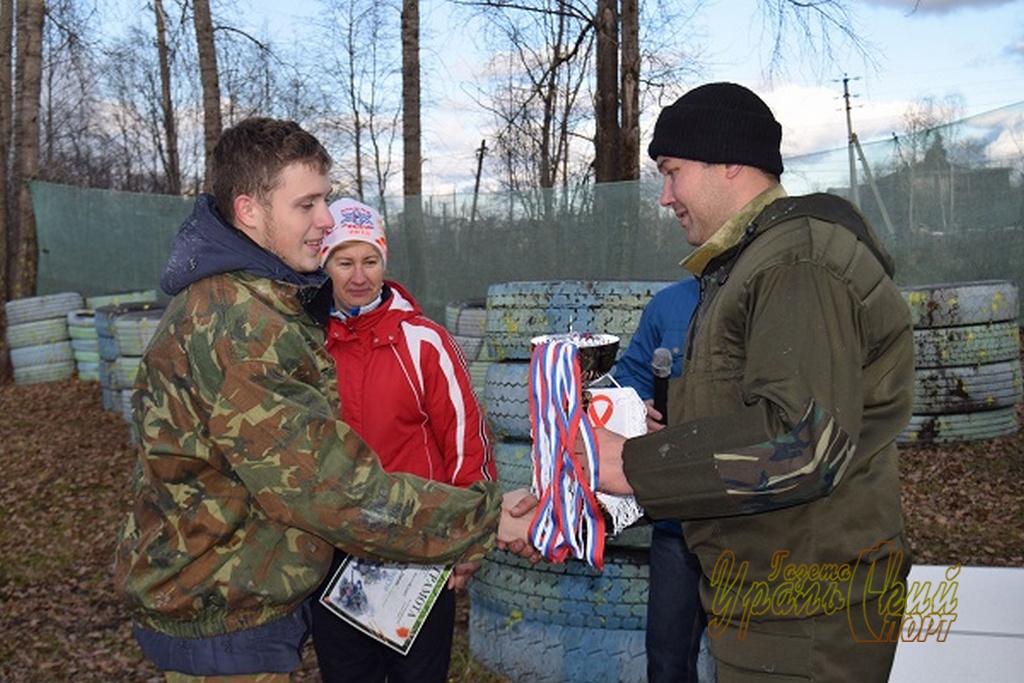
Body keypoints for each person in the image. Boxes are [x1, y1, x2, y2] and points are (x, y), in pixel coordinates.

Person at [113, 116, 536, 682]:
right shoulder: (240, 325)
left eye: (325, 200)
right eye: (306, 205)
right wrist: (487, 521)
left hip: (229, 596)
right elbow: (329, 486)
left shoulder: (253, 304)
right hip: (222, 611)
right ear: (249, 211)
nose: (326, 220)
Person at [589, 83, 915, 681]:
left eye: (672, 172)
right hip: (773, 591)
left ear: (730, 161)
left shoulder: (796, 264)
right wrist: (666, 429)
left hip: (809, 610)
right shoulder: (754, 262)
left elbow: (802, 446)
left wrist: (634, 466)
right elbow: (757, 411)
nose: (664, 197)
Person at [309, 198, 495, 682]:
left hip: (417, 551)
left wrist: (464, 536)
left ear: (384, 262)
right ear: (324, 263)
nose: (358, 276)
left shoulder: (422, 340)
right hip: (336, 552)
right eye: (344, 261)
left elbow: (465, 442)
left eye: (370, 261)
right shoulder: (306, 344)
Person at [612, 277, 708, 683]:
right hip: (677, 527)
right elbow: (627, 380)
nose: (670, 208)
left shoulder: (776, 297)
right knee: (667, 663)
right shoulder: (669, 304)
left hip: (753, 526)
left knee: (753, 662)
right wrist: (637, 410)